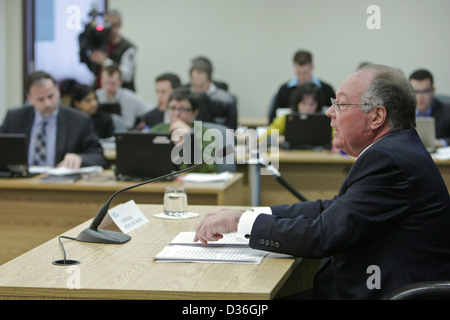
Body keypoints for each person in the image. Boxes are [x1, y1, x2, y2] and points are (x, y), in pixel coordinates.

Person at [194, 64, 450, 300]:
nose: (329, 112)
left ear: (376, 116)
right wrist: (251, 214)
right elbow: (331, 209)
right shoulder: (395, 150)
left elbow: (323, 234)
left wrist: (239, 223)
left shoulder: (389, 160)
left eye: (340, 104)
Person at [0, 71, 107, 169]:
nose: (48, 103)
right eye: (40, 99)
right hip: (20, 184)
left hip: (59, 185)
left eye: (50, 96)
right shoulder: (15, 118)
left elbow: (98, 156)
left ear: (58, 92)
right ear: (30, 99)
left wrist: (80, 158)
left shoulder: (79, 121)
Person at [151, 87, 216, 173]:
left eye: (183, 109)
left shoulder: (205, 134)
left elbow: (208, 168)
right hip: (160, 183)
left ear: (194, 113)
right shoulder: (158, 129)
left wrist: (188, 141)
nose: (176, 114)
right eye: (173, 108)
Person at [268, 50, 335, 123]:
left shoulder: (327, 90)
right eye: (299, 73)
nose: (302, 77)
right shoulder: (284, 90)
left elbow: (336, 115)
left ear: (311, 67)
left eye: (305, 73)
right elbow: (272, 121)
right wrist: (277, 134)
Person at [83, 9, 137, 91]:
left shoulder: (128, 47)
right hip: (101, 93)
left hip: (121, 94)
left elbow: (127, 76)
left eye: (114, 25)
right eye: (107, 23)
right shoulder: (100, 43)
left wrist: (104, 61)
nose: (110, 28)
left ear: (120, 25)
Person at [186, 57, 238, 130]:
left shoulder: (226, 100)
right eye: (195, 86)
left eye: (201, 86)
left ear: (210, 80)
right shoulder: (186, 97)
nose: (198, 90)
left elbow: (232, 129)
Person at [96, 64, 151, 129]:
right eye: (106, 82)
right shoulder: (96, 95)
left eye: (113, 83)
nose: (109, 87)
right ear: (101, 81)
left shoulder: (129, 98)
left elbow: (127, 126)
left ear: (120, 82)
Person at [409, 69, 450, 148]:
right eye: (416, 92)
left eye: (425, 91)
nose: (420, 97)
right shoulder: (402, 111)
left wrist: (442, 143)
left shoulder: (447, 112)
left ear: (433, 91)